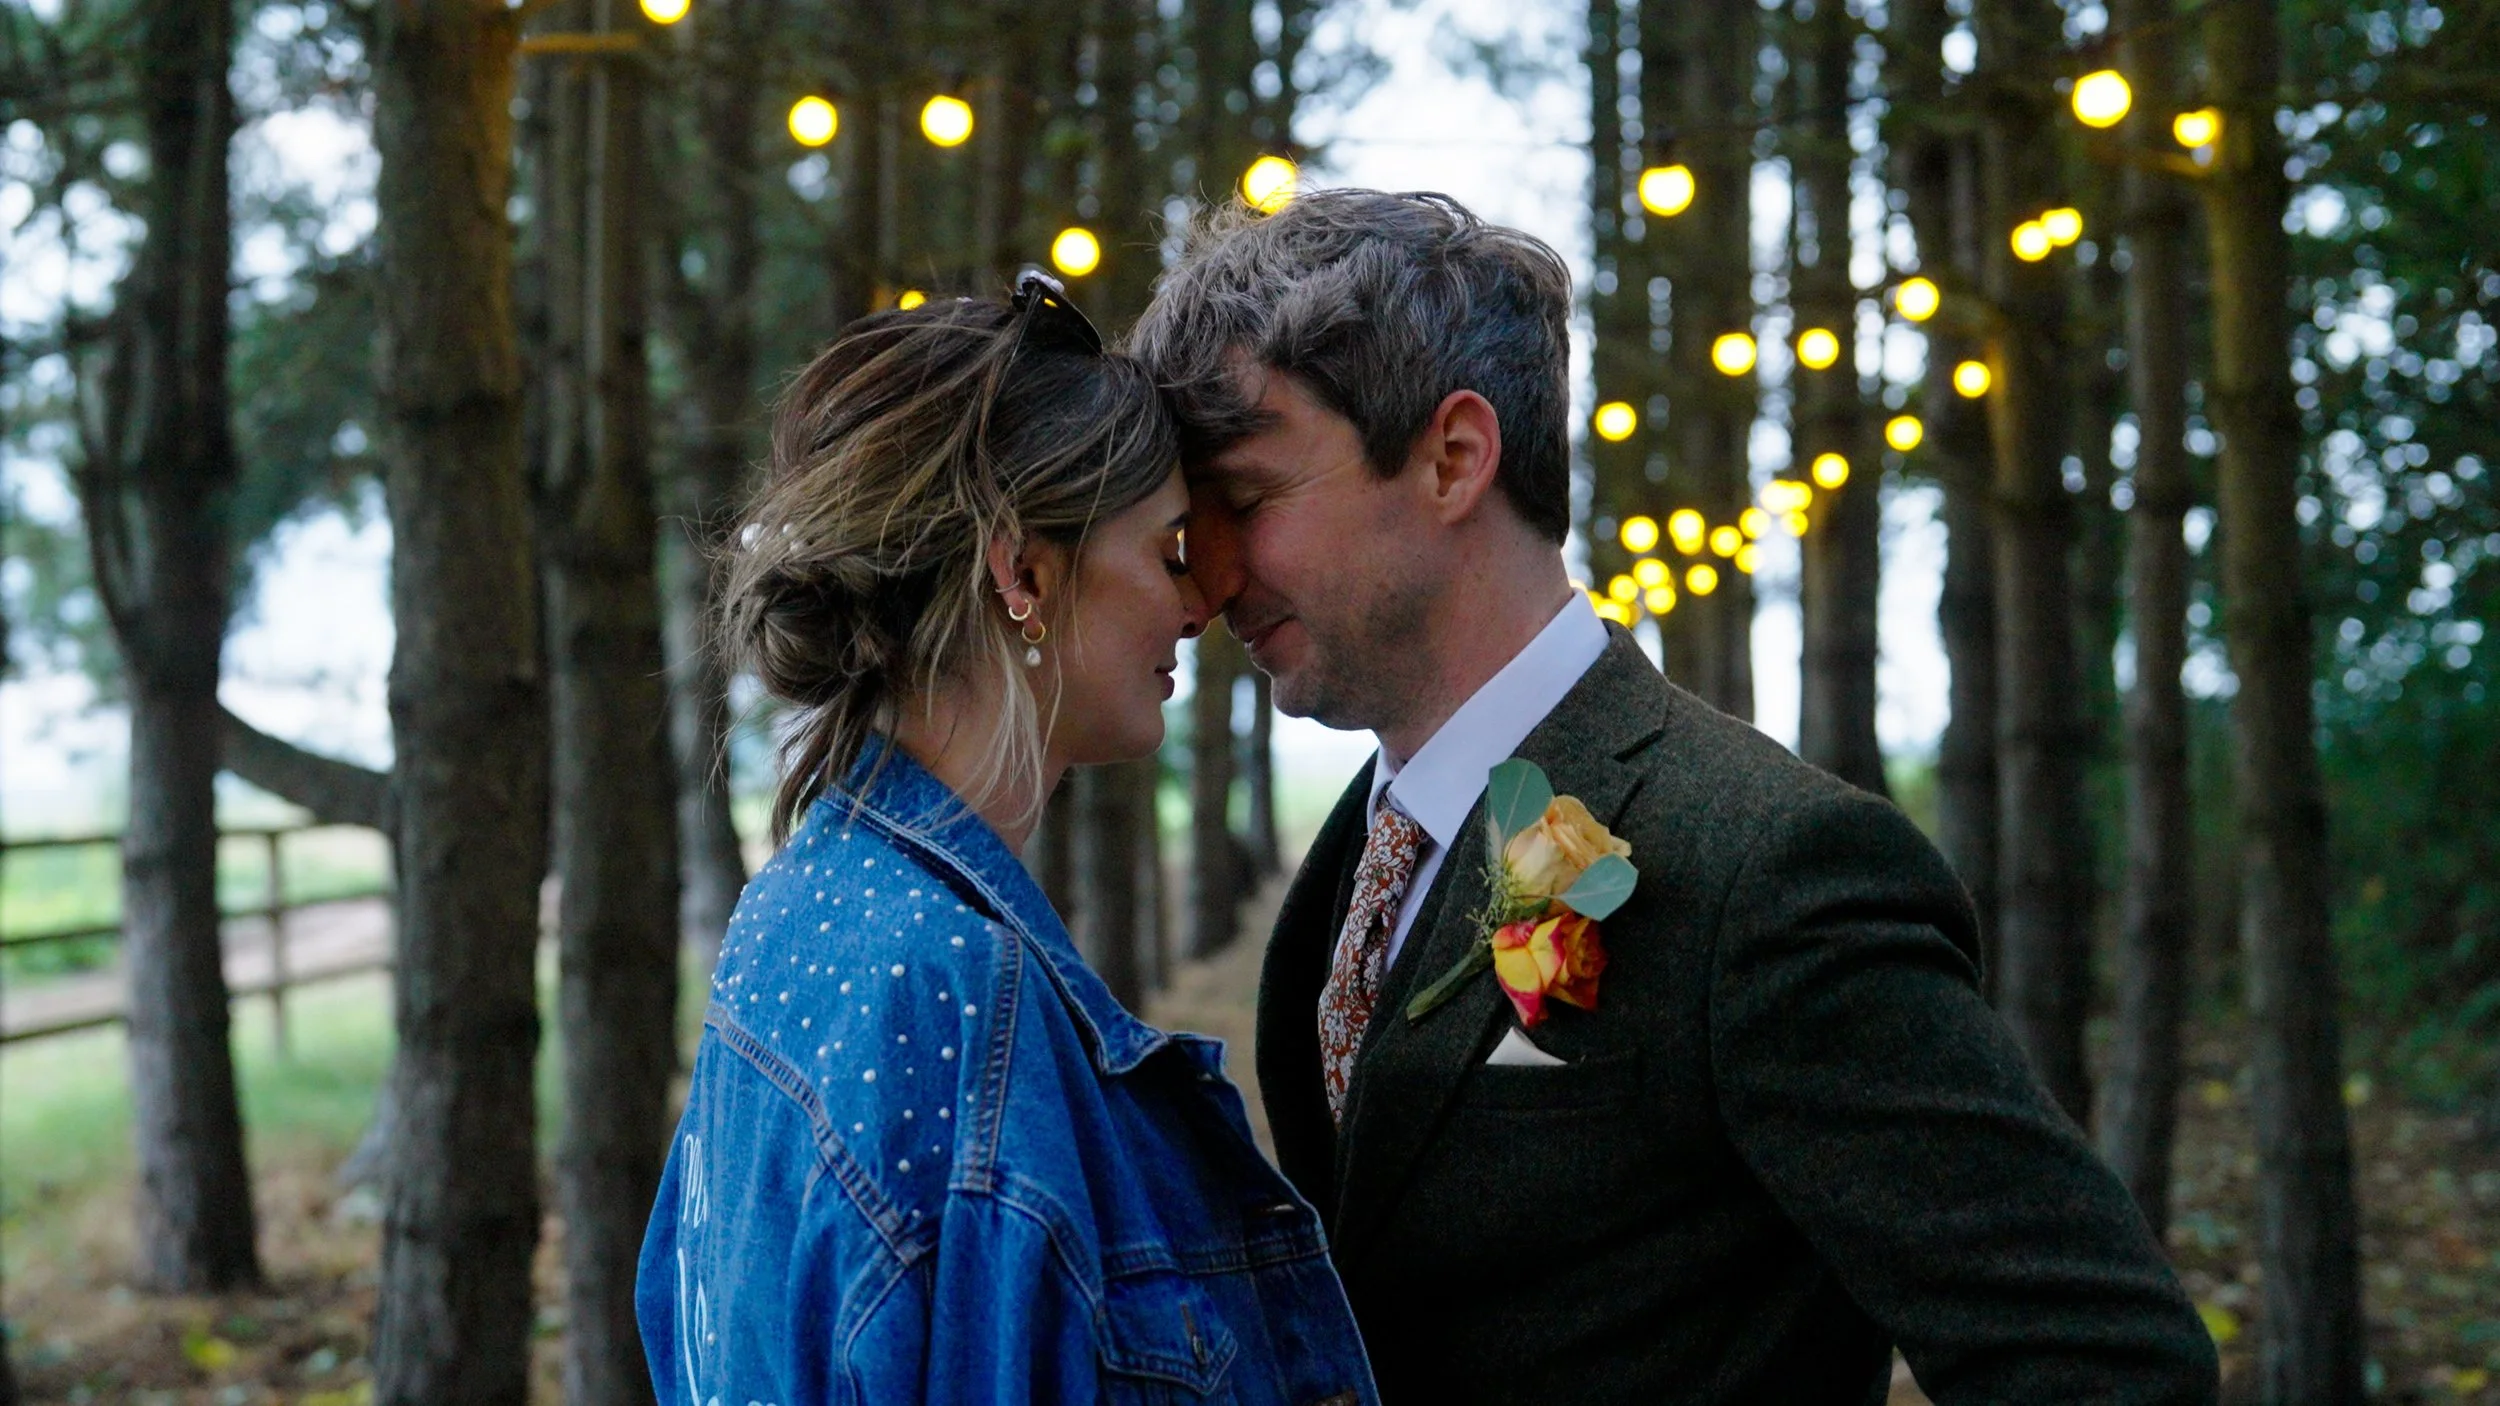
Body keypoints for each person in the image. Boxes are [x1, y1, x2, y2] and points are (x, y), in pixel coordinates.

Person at [1128, 190, 2221, 1405]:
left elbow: (2103, 1359)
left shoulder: (1774, 867)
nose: (1208, 576)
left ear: (1452, 457)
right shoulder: (1362, 848)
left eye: (1249, 497)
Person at [635, 273, 1378, 1406]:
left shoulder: (797, 898)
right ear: (1021, 571)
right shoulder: (953, 988)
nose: (1200, 600)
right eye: (1168, 546)